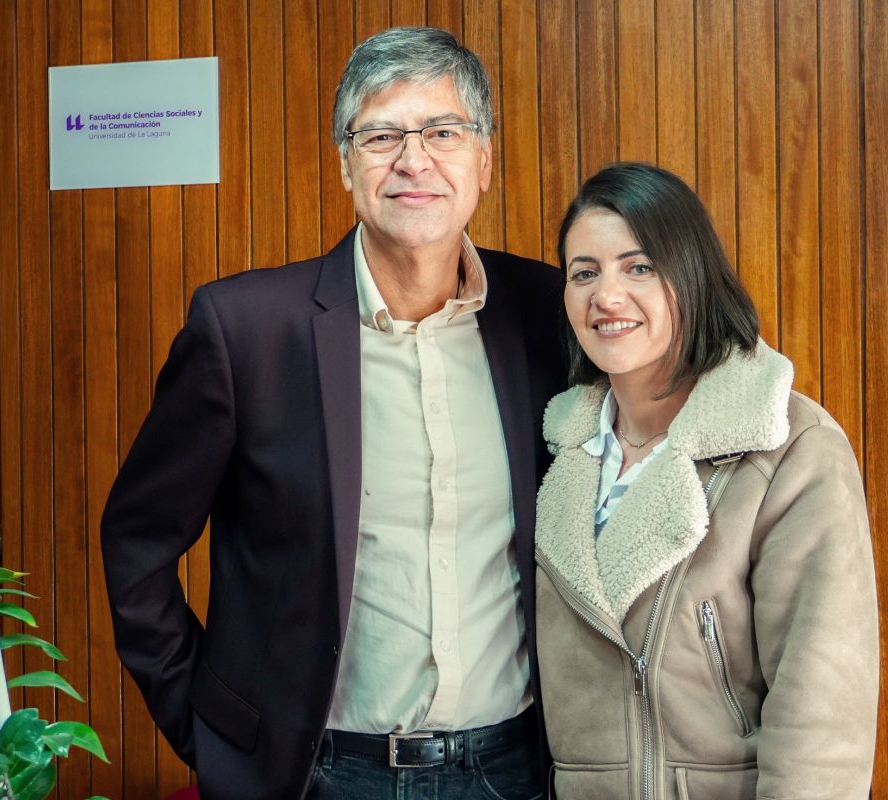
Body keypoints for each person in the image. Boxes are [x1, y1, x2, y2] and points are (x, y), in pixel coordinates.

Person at [101, 27, 563, 800]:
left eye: (443, 132)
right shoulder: (245, 329)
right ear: (346, 163)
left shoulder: (546, 313)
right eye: (381, 135)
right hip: (320, 774)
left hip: (513, 767)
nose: (414, 159)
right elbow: (136, 544)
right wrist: (210, 729)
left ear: (484, 161)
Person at [534, 163, 879, 799]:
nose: (606, 296)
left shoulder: (789, 447)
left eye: (638, 267)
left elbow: (823, 712)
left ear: (691, 276)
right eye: (585, 272)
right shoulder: (564, 451)